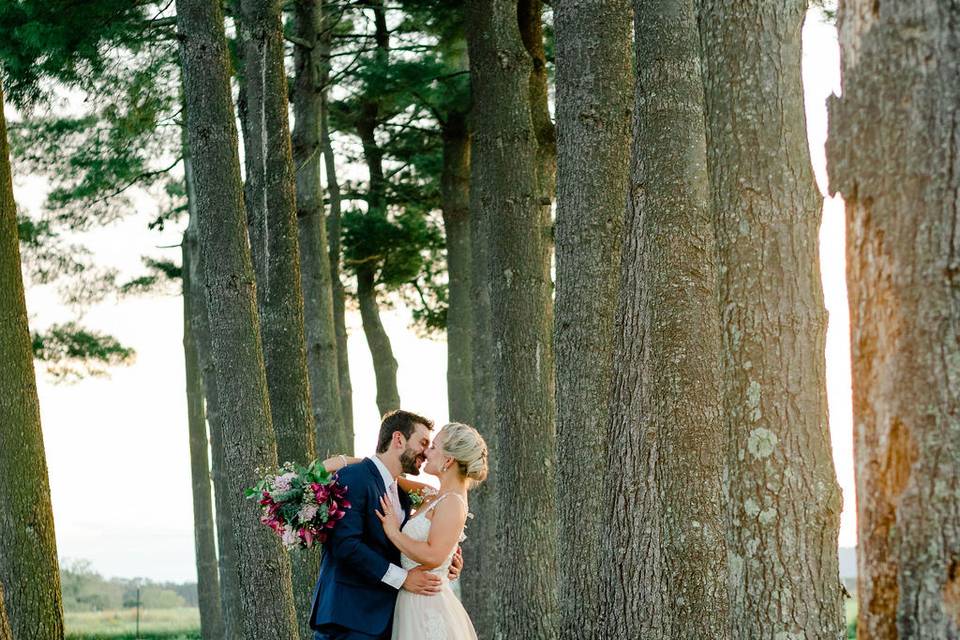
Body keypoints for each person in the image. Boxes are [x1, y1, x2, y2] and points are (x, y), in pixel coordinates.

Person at [309, 410, 462, 640]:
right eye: (422, 442)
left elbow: (403, 545)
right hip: (348, 618)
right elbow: (345, 545)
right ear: (398, 439)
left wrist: (447, 559)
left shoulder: (403, 497)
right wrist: (403, 578)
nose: (425, 452)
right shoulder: (354, 477)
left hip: (387, 620)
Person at [374, 421, 487, 640]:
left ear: (449, 460)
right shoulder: (432, 496)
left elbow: (434, 555)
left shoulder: (453, 503)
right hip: (410, 599)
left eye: (433, 447)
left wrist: (393, 532)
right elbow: (385, 473)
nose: (426, 452)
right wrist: (345, 461)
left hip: (427, 603)